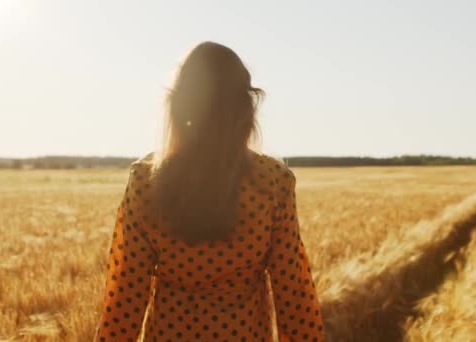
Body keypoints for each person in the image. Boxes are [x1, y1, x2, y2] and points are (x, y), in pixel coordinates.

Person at [95, 41, 324, 341]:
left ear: (179, 107)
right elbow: (293, 295)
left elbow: (125, 297)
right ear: (244, 109)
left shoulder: (145, 181)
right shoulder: (272, 182)